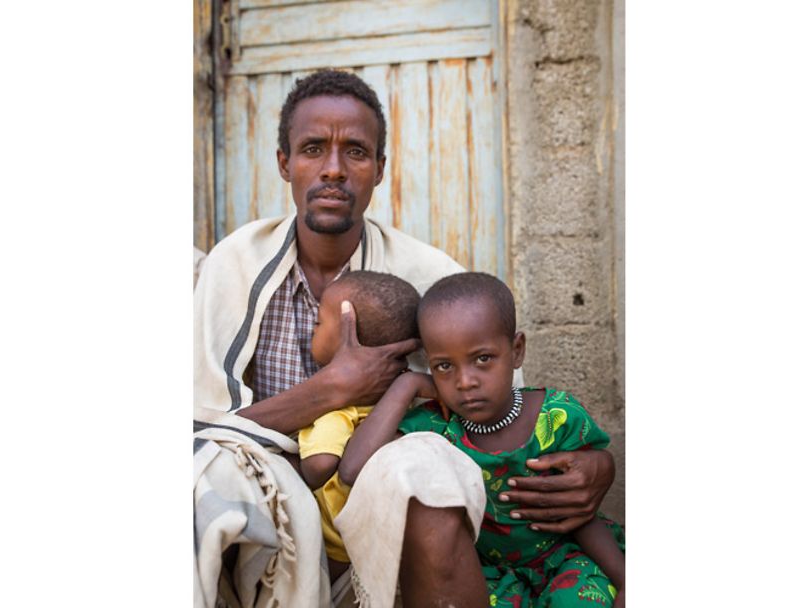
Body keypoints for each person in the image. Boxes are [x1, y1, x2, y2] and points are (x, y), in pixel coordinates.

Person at [193, 69, 617, 608]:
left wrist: (597, 465)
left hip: (373, 496)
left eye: (356, 152)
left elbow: (496, 410)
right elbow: (201, 428)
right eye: (312, 149)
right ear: (285, 163)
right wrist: (334, 389)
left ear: (380, 169)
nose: (333, 169)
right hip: (262, 479)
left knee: (421, 466)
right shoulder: (237, 261)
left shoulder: (427, 274)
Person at [340, 273, 625, 607]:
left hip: (564, 560)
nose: (465, 382)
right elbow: (353, 469)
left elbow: (581, 510)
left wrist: (625, 581)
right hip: (487, 575)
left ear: (516, 351)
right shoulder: (433, 429)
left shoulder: (556, 416)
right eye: (444, 366)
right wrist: (408, 385)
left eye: (483, 359)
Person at [298, 271, 421, 582]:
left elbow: (319, 466)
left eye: (320, 323)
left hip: (332, 544)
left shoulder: (338, 413)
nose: (313, 327)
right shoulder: (401, 406)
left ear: (346, 338)